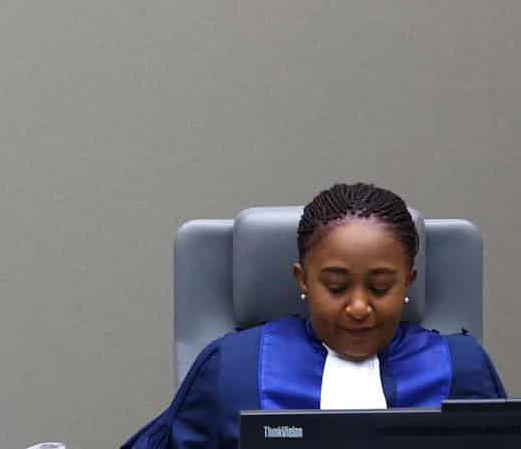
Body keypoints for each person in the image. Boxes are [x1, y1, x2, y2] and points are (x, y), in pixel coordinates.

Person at [122, 182, 506, 449]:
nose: (358, 308)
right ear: (302, 280)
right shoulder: (232, 367)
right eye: (337, 287)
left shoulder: (461, 366)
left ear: (408, 282)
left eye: (380, 287)